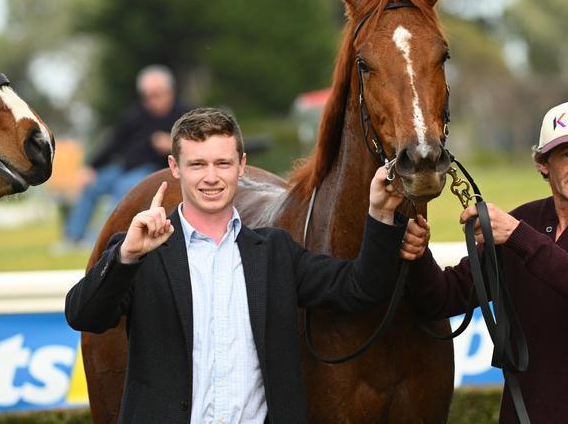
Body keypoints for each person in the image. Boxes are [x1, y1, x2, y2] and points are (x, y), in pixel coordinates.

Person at [65, 107, 418, 424]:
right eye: (197, 164)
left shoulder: (275, 253)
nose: (211, 177)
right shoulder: (139, 252)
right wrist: (126, 256)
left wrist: (380, 215)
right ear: (174, 168)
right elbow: (85, 315)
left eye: (222, 163)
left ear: (242, 165)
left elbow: (362, 288)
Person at [403, 100, 568, 423]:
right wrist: (418, 256)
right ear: (543, 163)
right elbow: (443, 298)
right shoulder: (522, 222)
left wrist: (518, 235)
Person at [60, 64, 189, 248]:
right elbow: (113, 143)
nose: (152, 100)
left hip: (155, 171)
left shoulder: (185, 114)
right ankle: (72, 238)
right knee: (91, 185)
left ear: (170, 91)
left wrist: (173, 144)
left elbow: (198, 145)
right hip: (124, 167)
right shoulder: (135, 115)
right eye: (147, 96)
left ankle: (99, 241)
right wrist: (91, 167)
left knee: (124, 189)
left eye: (157, 94)